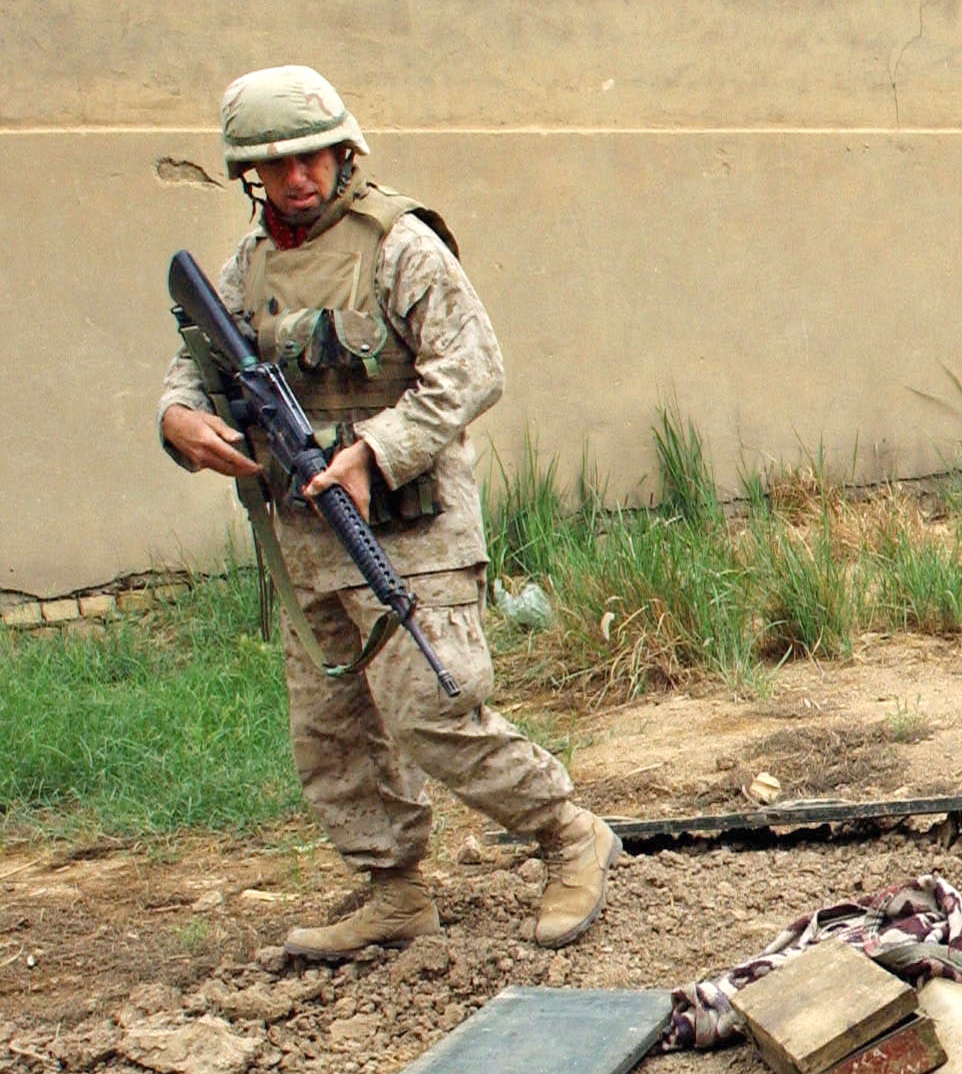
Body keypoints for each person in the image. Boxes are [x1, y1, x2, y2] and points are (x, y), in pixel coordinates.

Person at [160, 66, 621, 957]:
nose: (299, 177)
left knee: (434, 710)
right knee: (335, 734)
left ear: (345, 149)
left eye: (315, 155)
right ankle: (394, 890)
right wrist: (178, 417)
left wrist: (375, 451)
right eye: (277, 163)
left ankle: (569, 833)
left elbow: (473, 366)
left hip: (411, 534)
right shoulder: (248, 264)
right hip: (303, 540)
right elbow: (198, 361)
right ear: (251, 175)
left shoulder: (401, 244)